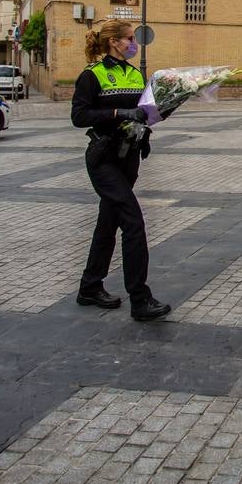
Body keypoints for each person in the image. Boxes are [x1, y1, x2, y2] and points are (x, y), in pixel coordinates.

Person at [71, 19, 171, 321]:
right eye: (129, 38)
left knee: (108, 222)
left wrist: (151, 122)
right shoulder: (93, 75)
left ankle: (90, 286)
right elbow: (79, 115)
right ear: (114, 42)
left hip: (129, 156)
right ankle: (140, 299)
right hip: (104, 159)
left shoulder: (134, 74)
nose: (134, 43)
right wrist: (117, 113)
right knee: (133, 223)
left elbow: (143, 109)